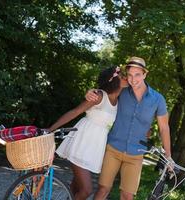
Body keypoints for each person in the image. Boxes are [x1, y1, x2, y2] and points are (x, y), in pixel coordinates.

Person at [85, 57, 172, 200]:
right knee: (103, 189)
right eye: (130, 75)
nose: (133, 79)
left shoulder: (158, 99)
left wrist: (168, 156)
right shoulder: (122, 91)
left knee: (127, 195)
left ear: (145, 74)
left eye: (137, 74)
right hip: (113, 149)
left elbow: (164, 128)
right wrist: (91, 91)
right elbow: (105, 92)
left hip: (135, 154)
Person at [48, 66, 128, 200]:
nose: (125, 77)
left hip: (94, 147)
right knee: (86, 190)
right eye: (121, 76)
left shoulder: (119, 101)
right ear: (113, 80)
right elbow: (75, 112)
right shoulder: (99, 96)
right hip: (82, 141)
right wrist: (50, 129)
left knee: (76, 187)